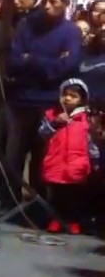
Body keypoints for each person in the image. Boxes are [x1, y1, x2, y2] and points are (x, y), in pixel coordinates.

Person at [39, 78, 96, 234]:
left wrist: (94, 161)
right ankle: (56, 220)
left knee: (74, 197)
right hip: (56, 164)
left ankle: (73, 221)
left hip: (76, 166)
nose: (68, 98)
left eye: (73, 96)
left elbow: (91, 143)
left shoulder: (87, 119)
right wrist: (55, 123)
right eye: (65, 94)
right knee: (56, 196)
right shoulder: (52, 115)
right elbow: (43, 133)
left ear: (82, 99)